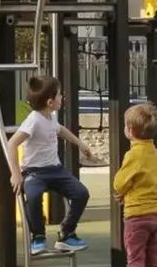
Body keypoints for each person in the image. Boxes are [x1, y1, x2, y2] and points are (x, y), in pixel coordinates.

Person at [6, 74, 100, 256]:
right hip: (34, 172)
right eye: (59, 95)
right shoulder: (33, 121)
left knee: (81, 193)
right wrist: (16, 173)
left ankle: (66, 233)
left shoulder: (51, 116)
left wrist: (81, 144)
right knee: (33, 197)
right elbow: (12, 143)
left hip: (55, 170)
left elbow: (60, 130)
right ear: (50, 102)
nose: (62, 97)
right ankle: (38, 237)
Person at [113, 103, 157, 267]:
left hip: (135, 215)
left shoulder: (133, 154)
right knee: (154, 259)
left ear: (131, 130)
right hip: (154, 213)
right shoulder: (155, 153)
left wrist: (120, 192)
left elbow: (120, 181)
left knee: (135, 260)